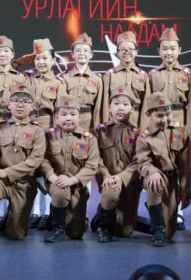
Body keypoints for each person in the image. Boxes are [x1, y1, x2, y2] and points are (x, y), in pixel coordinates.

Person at [0, 82, 45, 244]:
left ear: (32, 106)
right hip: (1, 180)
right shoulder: (0, 128)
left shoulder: (37, 130)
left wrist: (6, 172)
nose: (20, 105)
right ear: (9, 105)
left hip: (24, 183)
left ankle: (10, 217)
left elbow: (35, 160)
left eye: (25, 101)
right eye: (16, 101)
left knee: (16, 234)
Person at [143, 27, 191, 229]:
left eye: (172, 49)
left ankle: (178, 212)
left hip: (179, 126)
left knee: (180, 168)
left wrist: (190, 129)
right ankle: (157, 207)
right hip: (158, 128)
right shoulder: (153, 75)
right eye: (165, 49)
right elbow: (148, 105)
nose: (169, 53)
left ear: (179, 50)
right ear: (159, 51)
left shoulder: (187, 74)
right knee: (161, 165)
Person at [40, 95, 99, 243]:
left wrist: (72, 180)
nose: (68, 118)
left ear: (79, 117)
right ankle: (57, 228)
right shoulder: (48, 136)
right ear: (56, 117)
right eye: (64, 114)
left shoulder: (89, 139)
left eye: (73, 114)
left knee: (76, 233)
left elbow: (91, 166)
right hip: (56, 182)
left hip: (77, 185)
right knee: (61, 191)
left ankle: (57, 216)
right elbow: (43, 160)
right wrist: (52, 176)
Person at [132, 92, 187, 247]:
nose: (165, 119)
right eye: (159, 116)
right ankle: (157, 229)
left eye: (168, 114)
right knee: (153, 184)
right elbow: (143, 162)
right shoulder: (144, 137)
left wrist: (185, 188)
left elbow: (185, 164)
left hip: (173, 180)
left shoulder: (180, 131)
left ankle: (148, 214)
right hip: (156, 176)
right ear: (148, 115)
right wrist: (153, 172)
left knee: (169, 233)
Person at [27, 38, 66, 230]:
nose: (40, 62)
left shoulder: (59, 82)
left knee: (49, 170)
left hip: (49, 129)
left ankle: (48, 212)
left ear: (53, 60)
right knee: (33, 171)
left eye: (44, 58)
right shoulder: (28, 79)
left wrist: (55, 135)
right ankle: (35, 211)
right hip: (30, 130)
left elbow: (60, 111)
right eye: (37, 58)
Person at [93, 88, 141, 242]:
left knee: (124, 232)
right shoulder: (100, 131)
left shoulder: (137, 133)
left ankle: (102, 212)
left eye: (125, 104)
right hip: (108, 180)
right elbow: (95, 159)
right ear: (109, 107)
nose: (121, 108)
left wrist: (122, 178)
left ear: (132, 109)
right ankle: (105, 229)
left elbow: (139, 160)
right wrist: (106, 175)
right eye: (116, 104)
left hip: (130, 183)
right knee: (110, 192)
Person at [101, 32, 149, 127]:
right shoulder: (109, 75)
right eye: (123, 49)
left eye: (130, 49)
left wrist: (143, 129)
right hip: (114, 123)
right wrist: (107, 127)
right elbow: (105, 104)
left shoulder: (143, 76)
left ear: (136, 51)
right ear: (118, 52)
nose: (126, 52)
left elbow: (146, 106)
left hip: (135, 123)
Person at [59, 32, 103, 133]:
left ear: (91, 54)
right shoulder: (64, 77)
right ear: (72, 54)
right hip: (68, 124)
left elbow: (98, 109)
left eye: (86, 50)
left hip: (88, 125)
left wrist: (96, 130)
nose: (82, 53)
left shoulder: (97, 80)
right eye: (78, 50)